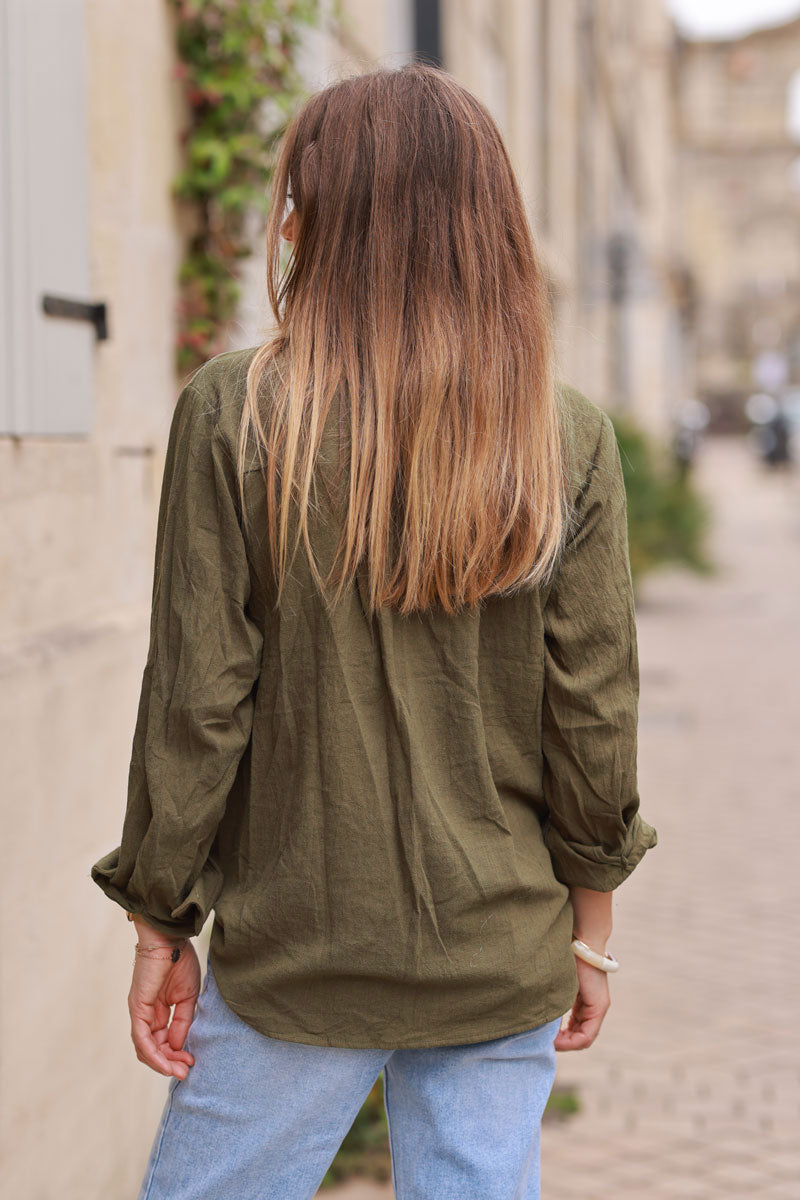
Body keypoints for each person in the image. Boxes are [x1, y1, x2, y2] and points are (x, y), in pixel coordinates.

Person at [90, 63, 658, 1200]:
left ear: (318, 216)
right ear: (487, 224)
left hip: (299, 948)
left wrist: (162, 914)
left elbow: (199, 701)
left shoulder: (237, 411)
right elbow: (591, 717)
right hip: (501, 945)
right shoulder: (564, 439)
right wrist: (588, 933)